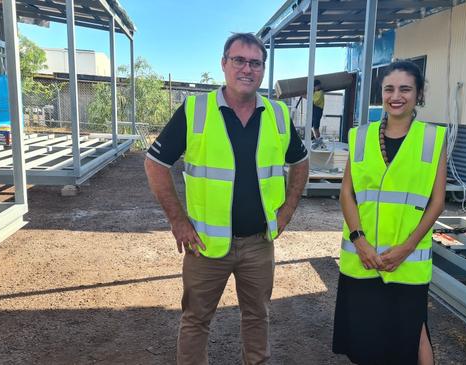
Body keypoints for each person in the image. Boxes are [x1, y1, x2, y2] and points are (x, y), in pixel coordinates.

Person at [144, 33, 309, 365]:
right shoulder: (196, 109)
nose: (246, 69)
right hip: (205, 244)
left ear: (263, 69)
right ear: (224, 64)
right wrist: (178, 221)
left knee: (257, 318)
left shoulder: (277, 114)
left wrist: (288, 209)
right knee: (196, 320)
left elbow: (301, 162)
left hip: (259, 243)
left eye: (255, 63)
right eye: (239, 60)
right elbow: (155, 163)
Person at [332, 60, 447, 365]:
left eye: (405, 89)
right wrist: (360, 242)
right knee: (366, 339)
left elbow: (437, 202)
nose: (396, 96)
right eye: (389, 89)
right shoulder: (359, 136)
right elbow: (347, 193)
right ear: (381, 93)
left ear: (418, 94)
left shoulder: (433, 139)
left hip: (407, 260)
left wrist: (406, 248)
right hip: (363, 259)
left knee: (414, 334)